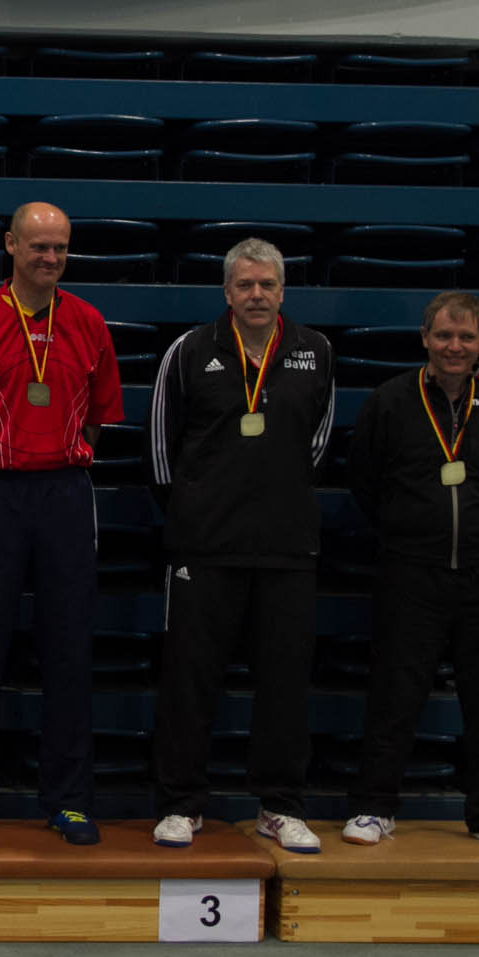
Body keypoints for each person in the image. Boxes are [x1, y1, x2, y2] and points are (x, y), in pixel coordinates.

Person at [0, 202, 122, 846]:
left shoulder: (89, 322)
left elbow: (98, 417)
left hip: (65, 493)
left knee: (69, 649)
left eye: (60, 248)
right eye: (39, 246)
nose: (50, 258)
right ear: (11, 245)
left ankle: (69, 801)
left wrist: (54, 457)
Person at [145, 238, 336, 852]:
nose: (257, 295)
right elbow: (161, 451)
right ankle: (182, 804)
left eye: (267, 285)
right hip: (204, 549)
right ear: (227, 291)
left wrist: (274, 500)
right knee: (188, 682)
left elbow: (316, 446)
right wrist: (198, 514)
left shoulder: (315, 351)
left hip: (288, 549)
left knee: (285, 686)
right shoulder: (189, 351)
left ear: (283, 291)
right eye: (246, 285)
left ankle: (279, 806)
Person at [344, 292, 479, 853]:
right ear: (425, 338)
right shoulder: (390, 401)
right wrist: (409, 531)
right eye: (445, 335)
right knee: (394, 694)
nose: (455, 346)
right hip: (411, 573)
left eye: (466, 337)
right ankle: (374, 807)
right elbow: (365, 482)